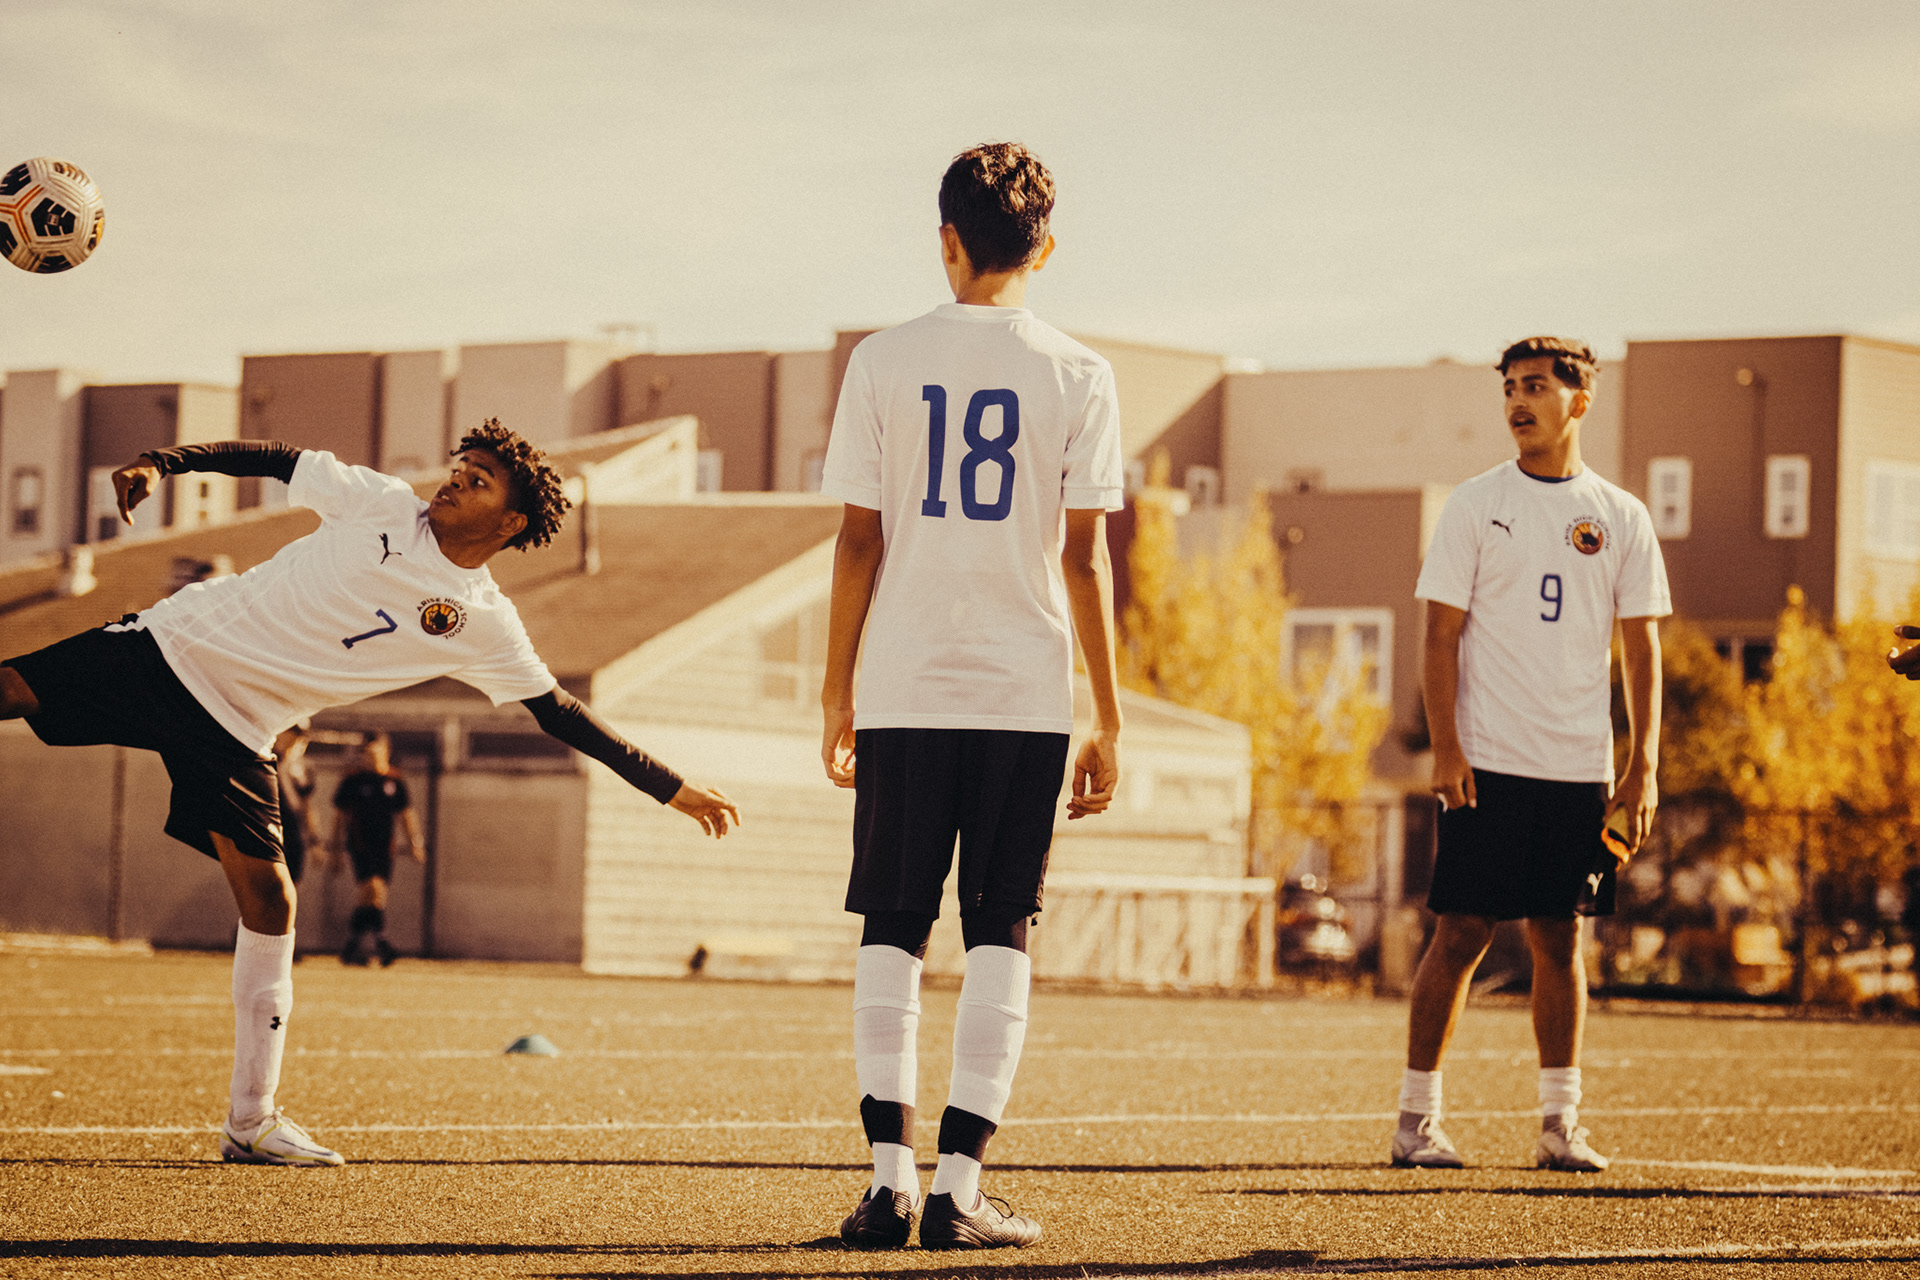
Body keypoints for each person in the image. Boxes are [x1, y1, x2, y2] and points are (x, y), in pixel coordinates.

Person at [0, 420, 739, 1168]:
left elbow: (560, 713)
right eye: (460, 467)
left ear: (511, 522)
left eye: (478, 481)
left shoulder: (484, 624)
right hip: (168, 649)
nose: (455, 481)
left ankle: (251, 1120)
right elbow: (276, 457)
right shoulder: (379, 504)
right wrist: (164, 462)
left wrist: (671, 788)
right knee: (11, 689)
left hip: (239, 727)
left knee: (272, 901)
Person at [818, 141, 1124, 1251]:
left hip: (904, 680)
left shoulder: (881, 359)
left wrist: (836, 690)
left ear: (946, 240)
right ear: (1047, 247)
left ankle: (888, 1184)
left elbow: (859, 539)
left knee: (893, 923)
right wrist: (1111, 715)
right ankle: (958, 1189)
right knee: (1001, 925)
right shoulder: (1080, 372)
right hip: (1023, 690)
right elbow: (1085, 559)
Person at [1392, 337, 1669, 1174]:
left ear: (1579, 401)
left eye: (1537, 386)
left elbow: (1641, 650)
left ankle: (1559, 1125)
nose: (1518, 400)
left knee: (1559, 936)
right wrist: (1447, 747)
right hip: (1487, 761)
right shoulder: (1477, 503)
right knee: (1462, 932)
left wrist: (1642, 766)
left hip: (1578, 769)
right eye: (1510, 387)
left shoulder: (1621, 516)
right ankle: (1416, 1122)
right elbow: (1438, 635)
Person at [327, 733, 423, 966]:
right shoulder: (353, 780)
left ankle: (352, 947)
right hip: (360, 844)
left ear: (385, 751)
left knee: (375, 898)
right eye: (366, 753)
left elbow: (406, 814)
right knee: (371, 888)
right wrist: (335, 849)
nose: (369, 757)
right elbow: (339, 816)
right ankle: (383, 944)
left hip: (385, 846)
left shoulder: (394, 780)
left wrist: (415, 843)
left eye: (374, 751)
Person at [272, 722, 318, 889]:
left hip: (293, 835)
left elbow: (307, 807)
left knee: (290, 889)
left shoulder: (300, 770)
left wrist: (314, 840)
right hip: (271, 834)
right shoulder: (266, 761)